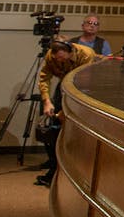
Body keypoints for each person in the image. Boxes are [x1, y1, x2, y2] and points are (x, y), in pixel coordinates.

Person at [35, 40, 101, 186]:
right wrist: (47, 101)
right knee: (50, 127)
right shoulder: (51, 55)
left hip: (83, 88)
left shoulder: (86, 55)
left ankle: (73, 173)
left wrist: (65, 113)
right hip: (63, 85)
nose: (58, 61)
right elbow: (44, 77)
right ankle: (53, 169)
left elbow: (83, 84)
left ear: (70, 53)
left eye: (62, 58)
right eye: (56, 58)